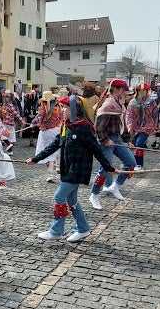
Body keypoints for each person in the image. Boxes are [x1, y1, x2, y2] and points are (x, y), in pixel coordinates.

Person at [30, 95, 119, 242]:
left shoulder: (84, 127)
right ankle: (83, 229)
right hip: (67, 169)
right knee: (71, 200)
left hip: (78, 170)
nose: (62, 110)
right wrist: (35, 159)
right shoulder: (66, 125)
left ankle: (56, 231)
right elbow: (54, 144)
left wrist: (108, 167)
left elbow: (97, 149)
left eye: (65, 107)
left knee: (59, 197)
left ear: (74, 109)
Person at [88, 79, 138, 210]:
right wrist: (105, 140)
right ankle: (94, 195)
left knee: (131, 162)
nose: (125, 93)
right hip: (107, 141)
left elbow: (123, 126)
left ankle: (115, 186)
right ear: (117, 89)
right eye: (123, 90)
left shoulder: (120, 104)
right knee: (105, 169)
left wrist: (128, 140)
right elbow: (98, 127)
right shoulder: (109, 104)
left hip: (117, 139)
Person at [31, 91, 64, 183]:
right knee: (57, 148)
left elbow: (41, 115)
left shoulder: (43, 106)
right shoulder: (59, 106)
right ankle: (58, 167)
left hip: (46, 131)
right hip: (57, 129)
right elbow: (62, 116)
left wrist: (33, 123)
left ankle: (51, 174)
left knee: (47, 151)